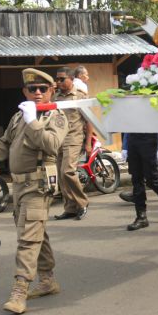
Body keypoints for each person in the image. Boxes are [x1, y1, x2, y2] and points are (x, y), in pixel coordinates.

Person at [0, 68, 68, 314]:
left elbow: (52, 144)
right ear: (24, 91)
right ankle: (47, 279)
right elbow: (5, 142)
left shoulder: (55, 117)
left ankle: (20, 290)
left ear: (51, 91)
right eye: (31, 89)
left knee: (28, 236)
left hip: (38, 183)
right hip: (18, 184)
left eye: (43, 89)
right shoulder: (19, 116)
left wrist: (33, 122)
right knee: (35, 231)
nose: (37, 93)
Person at [52, 67, 91, 221]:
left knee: (68, 170)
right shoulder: (55, 97)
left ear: (70, 79)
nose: (59, 82)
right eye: (57, 79)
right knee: (61, 175)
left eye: (62, 79)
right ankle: (70, 208)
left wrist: (88, 143)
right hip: (58, 139)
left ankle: (82, 202)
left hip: (74, 138)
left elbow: (89, 121)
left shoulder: (80, 96)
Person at [120, 132, 158, 230]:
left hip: (150, 140)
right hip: (133, 140)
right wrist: (125, 146)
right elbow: (128, 126)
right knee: (136, 180)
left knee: (152, 180)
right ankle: (141, 217)